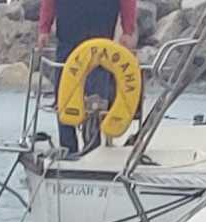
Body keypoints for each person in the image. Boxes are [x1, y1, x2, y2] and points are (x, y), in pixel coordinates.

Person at [38, 0, 138, 153]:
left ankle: (93, 148)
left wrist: (127, 30)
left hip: (101, 45)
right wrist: (44, 28)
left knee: (96, 100)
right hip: (68, 40)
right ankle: (68, 148)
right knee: (64, 98)